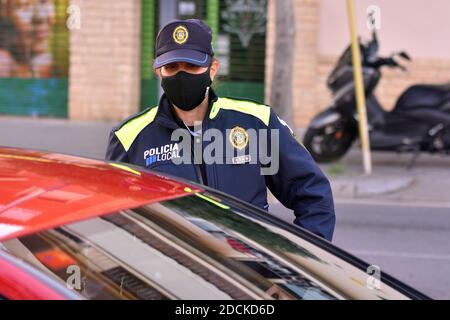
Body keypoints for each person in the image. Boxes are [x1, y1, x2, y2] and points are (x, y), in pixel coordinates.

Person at [106, 19, 336, 241]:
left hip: (248, 275)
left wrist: (292, 268)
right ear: (159, 72)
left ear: (212, 69)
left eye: (192, 66)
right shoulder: (129, 138)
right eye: (172, 67)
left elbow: (313, 195)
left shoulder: (256, 122)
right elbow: (113, 222)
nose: (181, 75)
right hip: (168, 276)